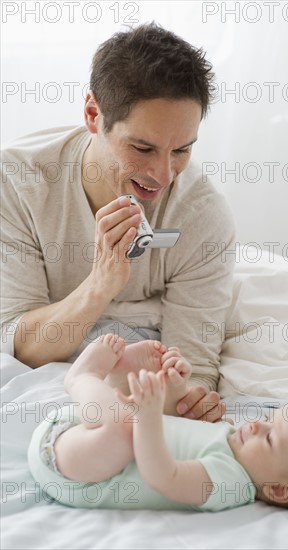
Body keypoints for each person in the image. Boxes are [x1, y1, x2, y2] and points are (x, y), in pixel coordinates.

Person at [0, 23, 236, 422]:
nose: (163, 175)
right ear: (93, 114)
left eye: (181, 150)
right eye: (142, 147)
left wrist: (192, 401)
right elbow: (21, 346)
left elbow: (193, 370)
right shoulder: (18, 184)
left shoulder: (202, 216)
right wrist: (101, 283)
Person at [28, 334, 288, 513]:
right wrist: (174, 390)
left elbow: (162, 474)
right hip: (81, 437)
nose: (257, 426)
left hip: (74, 473)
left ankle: (82, 378)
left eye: (271, 439)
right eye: (268, 419)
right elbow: (175, 434)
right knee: (127, 420)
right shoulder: (230, 438)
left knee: (125, 427)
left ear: (278, 490)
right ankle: (122, 378)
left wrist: (148, 418)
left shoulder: (229, 484)